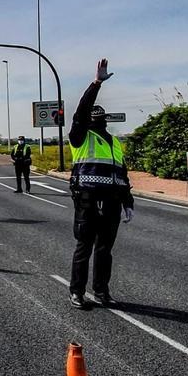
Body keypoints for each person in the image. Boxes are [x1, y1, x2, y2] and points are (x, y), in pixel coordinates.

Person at [67, 58, 133, 309]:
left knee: (105, 250)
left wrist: (129, 202)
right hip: (87, 199)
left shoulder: (114, 142)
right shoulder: (81, 137)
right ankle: (77, 292)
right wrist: (96, 84)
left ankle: (101, 291)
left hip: (113, 202)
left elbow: (122, 175)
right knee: (84, 248)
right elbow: (81, 112)